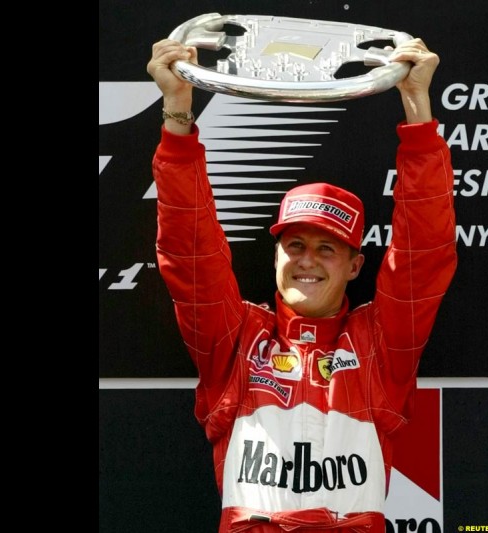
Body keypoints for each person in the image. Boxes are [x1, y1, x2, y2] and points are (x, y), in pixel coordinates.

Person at [147, 36, 457, 533]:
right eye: (294, 246)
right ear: (274, 257)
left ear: (355, 266)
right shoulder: (237, 339)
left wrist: (419, 112)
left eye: (326, 249)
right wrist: (178, 110)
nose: (306, 261)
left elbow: (425, 253)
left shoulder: (381, 343)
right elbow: (190, 252)